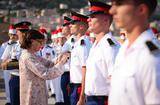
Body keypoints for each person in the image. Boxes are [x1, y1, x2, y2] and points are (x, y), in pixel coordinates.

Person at [109, 0, 160, 105]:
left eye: (119, 4)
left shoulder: (152, 57)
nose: (111, 11)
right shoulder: (125, 48)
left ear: (141, 10)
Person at [84, 1, 120, 105]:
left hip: (102, 100)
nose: (88, 19)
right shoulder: (96, 44)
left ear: (105, 20)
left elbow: (115, 80)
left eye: (93, 16)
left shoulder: (110, 46)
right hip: (91, 99)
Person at [19, 29, 69, 105]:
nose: (42, 45)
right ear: (32, 41)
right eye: (40, 42)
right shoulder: (28, 57)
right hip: (32, 98)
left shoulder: (32, 54)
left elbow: (49, 63)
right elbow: (46, 74)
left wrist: (61, 57)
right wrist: (61, 62)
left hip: (38, 95)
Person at [69, 11, 92, 105]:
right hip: (74, 85)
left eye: (73, 23)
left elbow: (85, 68)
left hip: (79, 87)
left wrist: (82, 96)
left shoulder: (83, 44)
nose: (70, 25)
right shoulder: (78, 43)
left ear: (81, 27)